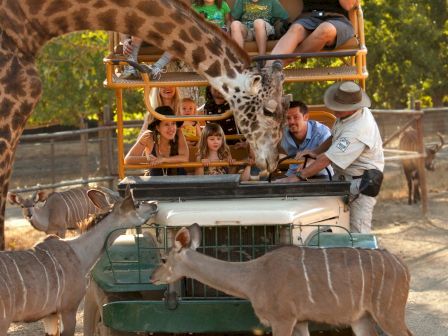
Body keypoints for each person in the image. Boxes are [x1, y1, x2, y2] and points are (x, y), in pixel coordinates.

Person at [277, 82, 384, 234]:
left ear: (354, 107)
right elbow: (334, 136)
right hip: (342, 179)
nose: (335, 109)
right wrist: (315, 152)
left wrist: (298, 176)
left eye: (340, 107)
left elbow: (328, 159)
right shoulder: (349, 116)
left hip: (360, 184)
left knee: (357, 232)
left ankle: (360, 254)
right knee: (337, 227)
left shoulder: (357, 130)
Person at [270, 0, 358, 66]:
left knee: (325, 30)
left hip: (337, 19)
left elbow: (348, 5)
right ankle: (265, 71)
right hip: (308, 17)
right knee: (296, 29)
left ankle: (282, 63)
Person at [125, 106, 189, 176]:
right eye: (166, 124)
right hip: (155, 184)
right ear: (158, 127)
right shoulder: (148, 136)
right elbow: (128, 160)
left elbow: (185, 157)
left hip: (179, 183)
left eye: (173, 123)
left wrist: (163, 159)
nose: (171, 128)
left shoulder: (178, 133)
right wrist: (147, 159)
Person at [280, 100, 333, 178]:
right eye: (288, 118)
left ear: (306, 117)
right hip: (293, 175)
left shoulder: (321, 131)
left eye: (296, 117)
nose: (291, 122)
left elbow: (330, 153)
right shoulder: (282, 133)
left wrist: (310, 162)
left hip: (320, 174)